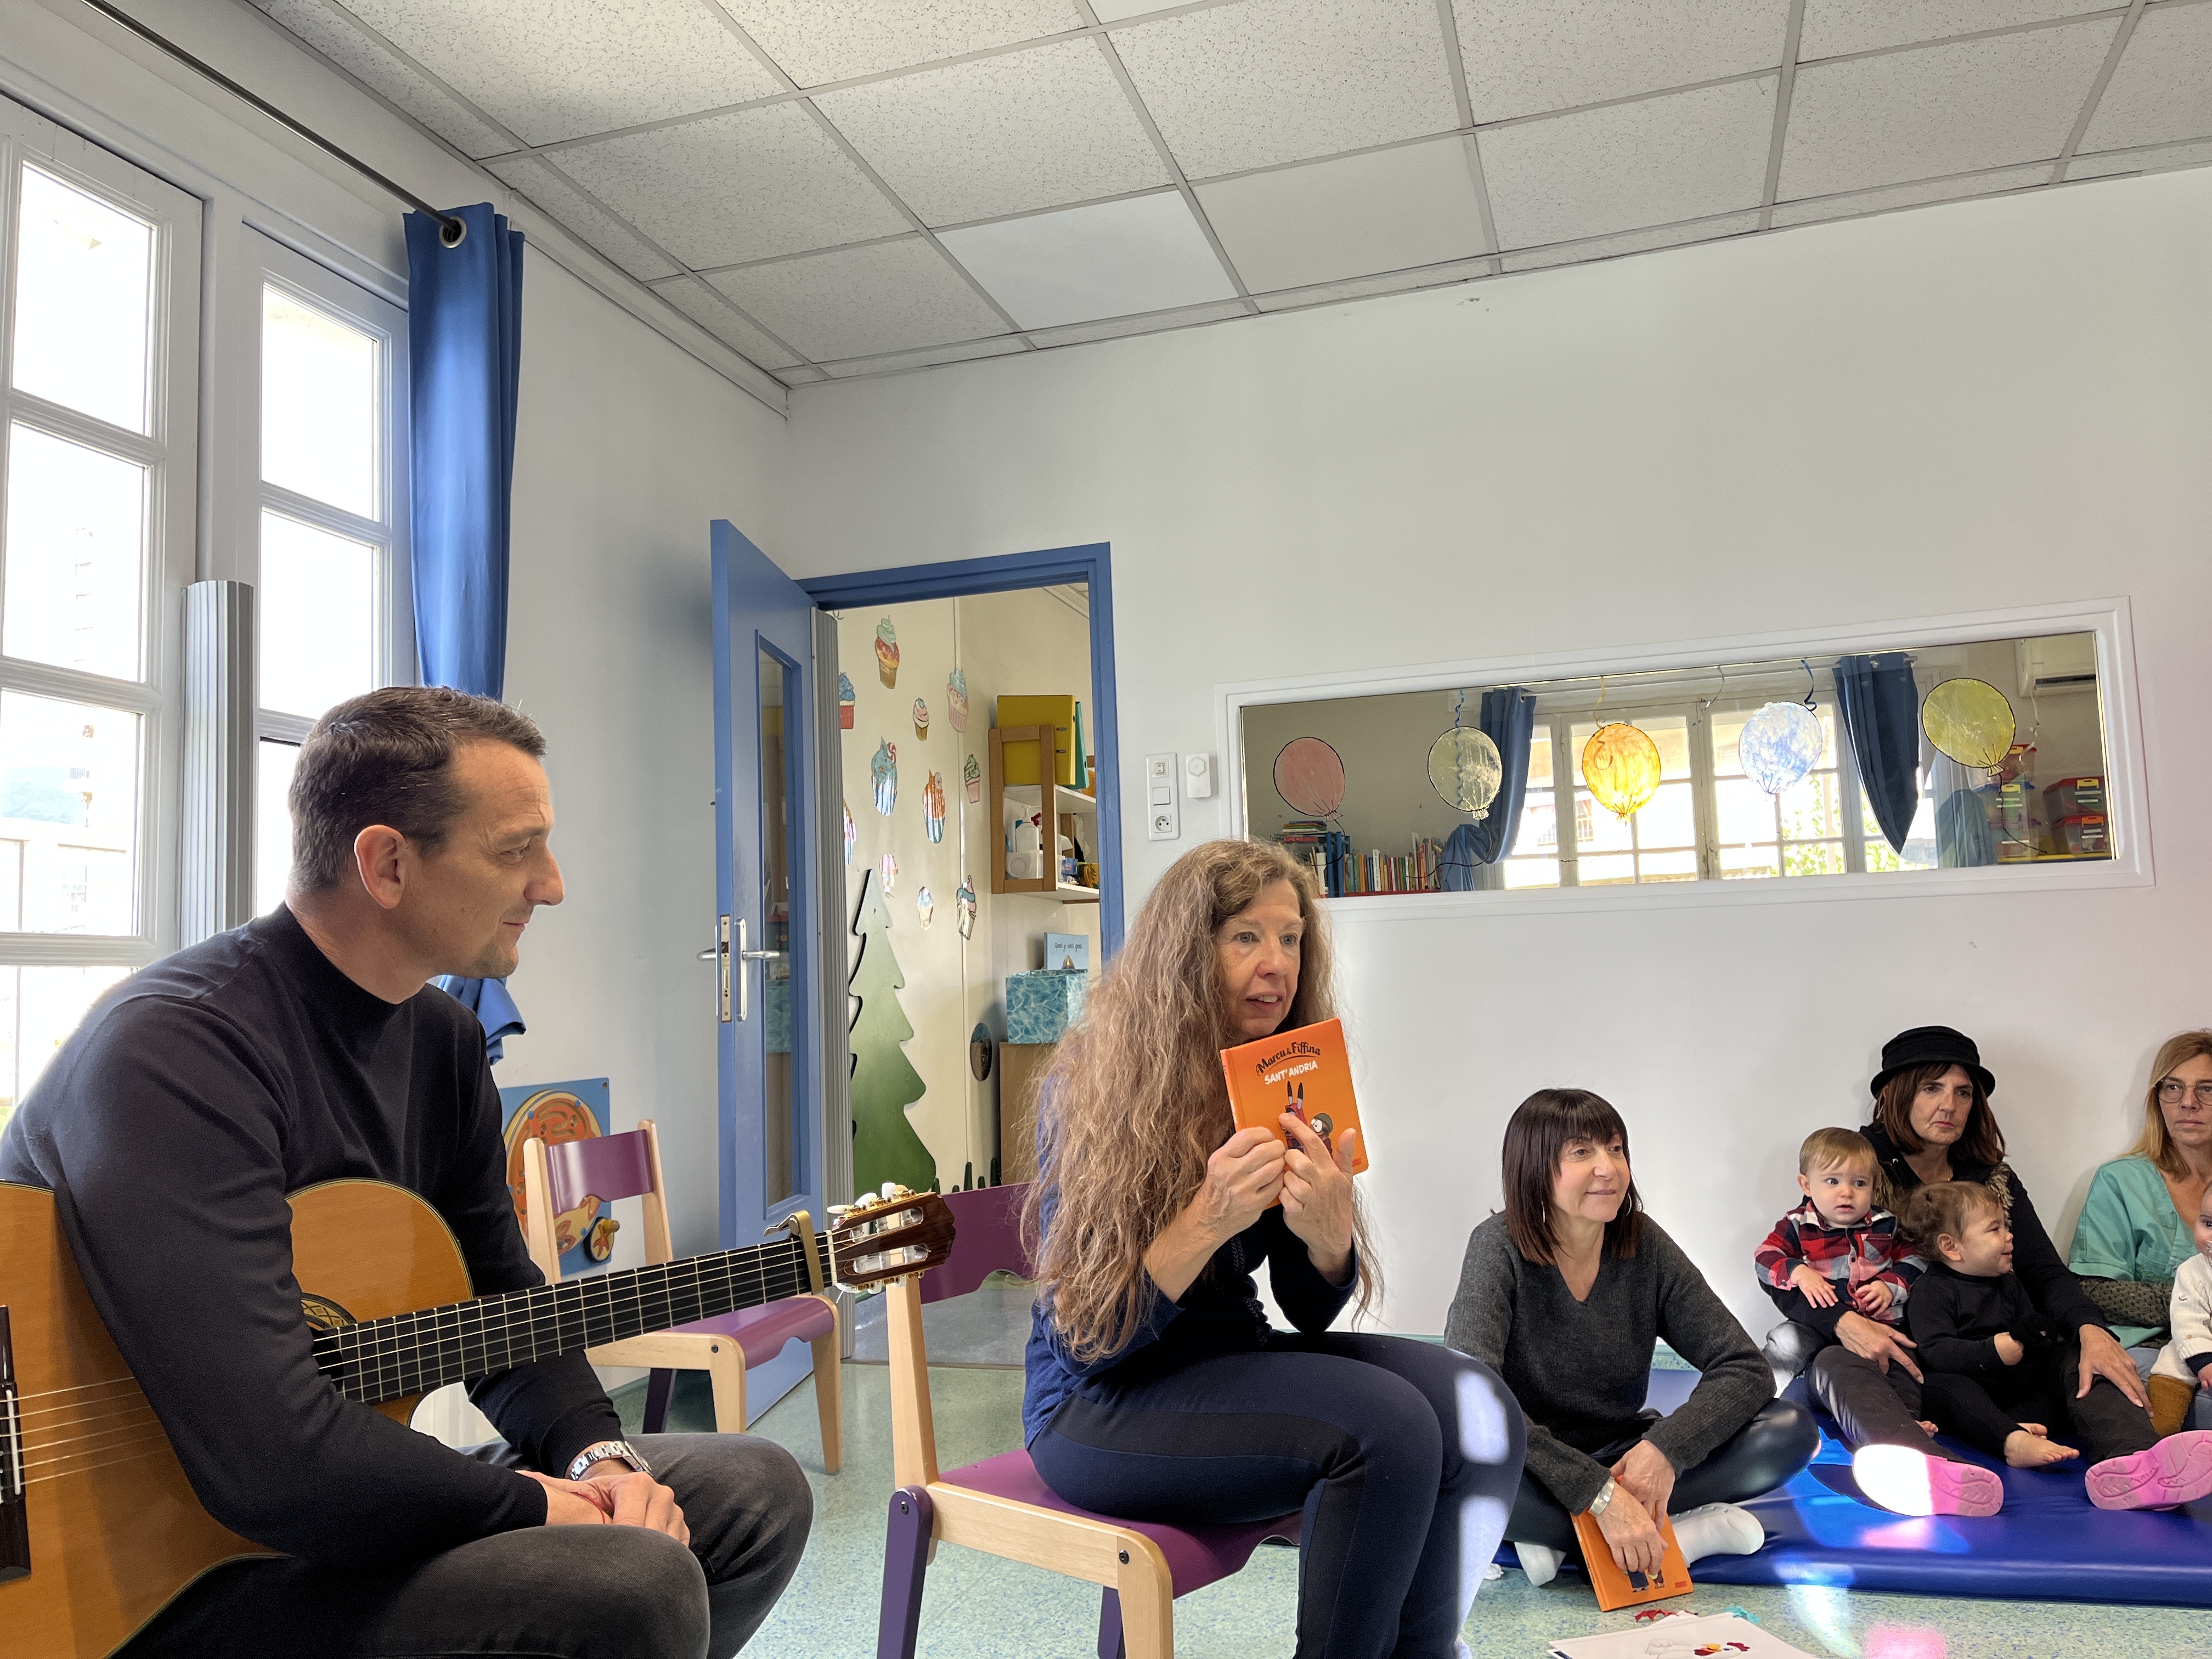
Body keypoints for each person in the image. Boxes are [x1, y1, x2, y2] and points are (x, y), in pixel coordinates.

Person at [0, 688, 811, 1658]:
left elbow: (506, 1309)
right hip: (155, 1570)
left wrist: (601, 1457)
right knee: (627, 1580)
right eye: (516, 849)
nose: (550, 885)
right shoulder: (177, 1050)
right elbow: (268, 1453)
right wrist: (530, 1500)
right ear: (385, 862)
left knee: (751, 1493)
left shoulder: (447, 1042)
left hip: (317, 1511)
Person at [1021, 840, 1524, 1659]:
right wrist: (1208, 1218)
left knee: (1481, 1411)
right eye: (1246, 938)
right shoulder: (1094, 1085)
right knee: (1386, 1427)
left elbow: (1306, 1306)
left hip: (1229, 1363)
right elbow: (1088, 1339)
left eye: (1290, 939)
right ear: (1188, 954)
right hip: (1094, 1405)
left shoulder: (1276, 1075)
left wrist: (1328, 1239)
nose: (1277, 964)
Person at [1447, 1090, 1818, 1589]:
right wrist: (1597, 1494)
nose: (1609, 1168)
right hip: (1534, 1463)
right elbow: (1477, 1397)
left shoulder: (1642, 1242)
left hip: (1626, 1452)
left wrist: (1664, 1452)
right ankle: (1673, 1536)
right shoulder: (1496, 1246)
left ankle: (1559, 1540)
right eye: (1582, 1153)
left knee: (1789, 1428)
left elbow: (1743, 1366)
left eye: (1616, 1149)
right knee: (1458, 1462)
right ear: (1533, 1167)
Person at [1789, 1026, 2153, 1501]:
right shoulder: (1856, 1166)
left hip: (1995, 1359)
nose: (1950, 1105)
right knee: (1836, 1360)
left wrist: (2091, 1328)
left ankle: (2141, 1466)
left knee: (2083, 1352)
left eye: (1964, 1093)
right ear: (1898, 1096)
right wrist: (1843, 1321)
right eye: (1932, 1088)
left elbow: (2043, 1271)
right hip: (1901, 1359)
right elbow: (1790, 1266)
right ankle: (1925, 1471)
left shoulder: (1993, 1178)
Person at [1901, 1182, 2212, 1509]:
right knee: (1949, 1388)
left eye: (2006, 1226)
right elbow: (1935, 1351)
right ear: (1952, 1247)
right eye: (1995, 1229)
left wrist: (2041, 1337)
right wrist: (1991, 1352)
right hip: (1973, 1396)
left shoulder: (2008, 1281)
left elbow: (2035, 1328)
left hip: (2022, 1398)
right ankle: (2012, 1441)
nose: (2010, 1236)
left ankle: (2134, 1458)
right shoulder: (1931, 1292)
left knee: (2076, 1360)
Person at [1752, 1130, 2000, 1516]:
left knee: (1902, 1363)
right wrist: (1800, 1273)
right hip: (1819, 1329)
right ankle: (1752, 1403)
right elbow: (1766, 1258)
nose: (1846, 1193)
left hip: (1880, 1330)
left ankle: (1909, 1430)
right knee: (1786, 1343)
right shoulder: (1797, 1226)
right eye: (1833, 1182)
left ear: (1874, 1186)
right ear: (1807, 1185)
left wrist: (1890, 1285)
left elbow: (1917, 1259)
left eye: (1859, 1183)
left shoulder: (1886, 1225)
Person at [2069, 1030, 2212, 1352]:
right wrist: (2194, 1301)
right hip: (2148, 1349)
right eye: (2173, 1087)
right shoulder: (2121, 1180)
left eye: (2207, 1088)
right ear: (2157, 1098)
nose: (2189, 1103)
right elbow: (2092, 1291)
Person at [2147, 1186, 2212, 1436]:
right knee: (2172, 1364)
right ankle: (2160, 1436)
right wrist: (2204, 1361)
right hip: (2196, 1344)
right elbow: (2187, 1319)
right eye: (2208, 1224)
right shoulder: (2192, 1271)